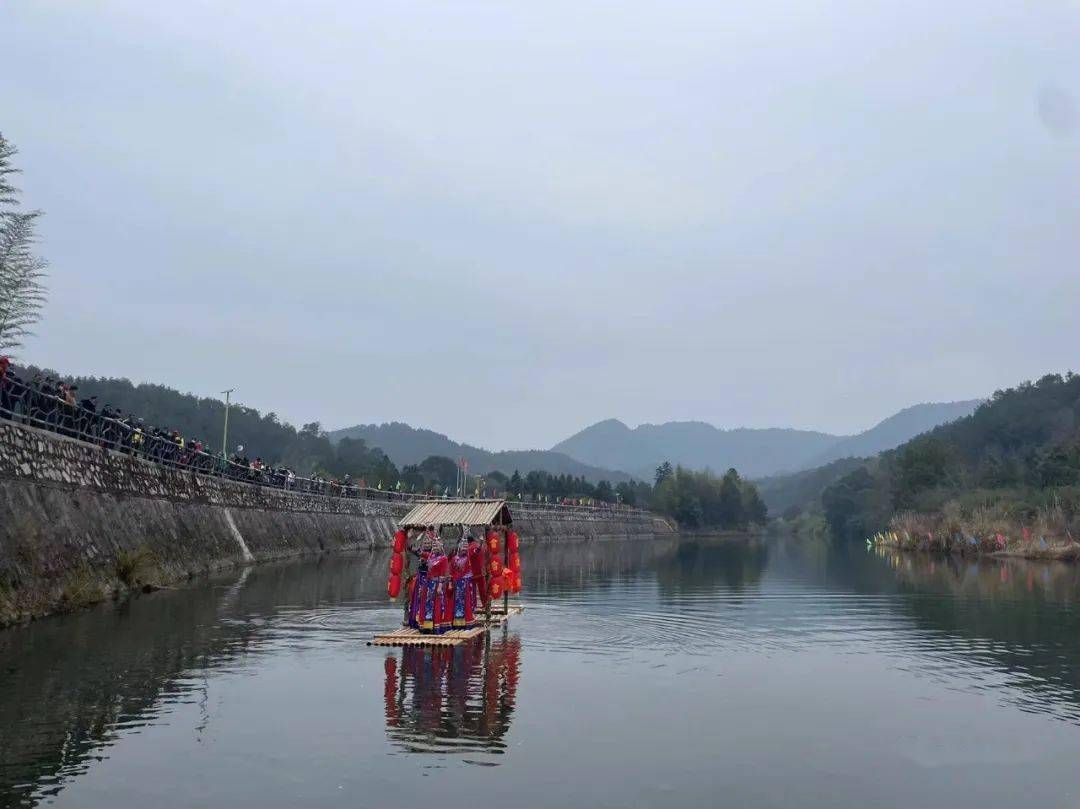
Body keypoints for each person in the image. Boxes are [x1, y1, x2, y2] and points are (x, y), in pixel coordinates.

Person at [419, 537, 451, 635]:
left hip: (437, 583)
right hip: (429, 584)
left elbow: (443, 572)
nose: (435, 547)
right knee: (428, 604)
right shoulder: (431, 556)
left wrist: (440, 586)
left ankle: (437, 626)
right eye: (434, 546)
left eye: (437, 546)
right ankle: (428, 626)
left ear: (441, 547)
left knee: (437, 605)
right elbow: (420, 553)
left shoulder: (443, 558)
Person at [405, 531, 434, 628]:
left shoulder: (434, 553)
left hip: (430, 580)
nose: (426, 544)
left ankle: (429, 621)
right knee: (418, 598)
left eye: (428, 543)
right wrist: (409, 538)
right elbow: (410, 549)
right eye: (425, 543)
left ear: (431, 544)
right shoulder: (420, 552)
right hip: (420, 579)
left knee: (428, 600)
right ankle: (417, 620)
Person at [450, 538, 477, 629]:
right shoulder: (454, 559)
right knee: (457, 602)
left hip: (466, 584)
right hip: (457, 583)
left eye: (466, 547)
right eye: (462, 547)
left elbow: (476, 551)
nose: (464, 549)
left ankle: (467, 621)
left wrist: (480, 543)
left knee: (467, 602)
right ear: (459, 548)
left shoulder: (469, 557)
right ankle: (457, 622)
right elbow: (451, 572)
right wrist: (451, 582)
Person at [467, 533, 488, 608]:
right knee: (483, 590)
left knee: (471, 591)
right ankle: (485, 605)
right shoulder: (481, 546)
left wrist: (481, 542)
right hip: (482, 572)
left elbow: (476, 551)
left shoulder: (470, 547)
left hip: (473, 573)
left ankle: (473, 606)